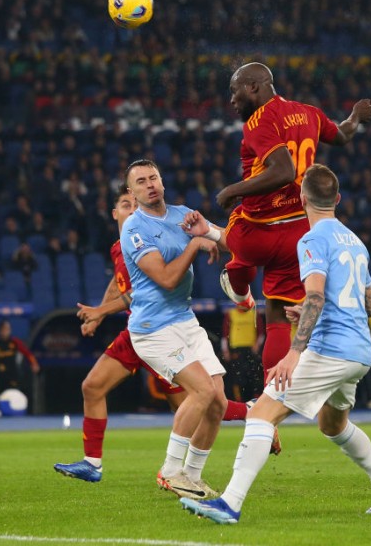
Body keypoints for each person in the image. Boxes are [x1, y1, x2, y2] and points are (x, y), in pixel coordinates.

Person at [180, 164, 371, 524]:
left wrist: (294, 352)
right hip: (360, 350)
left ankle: (230, 504)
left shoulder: (311, 240)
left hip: (331, 348)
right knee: (332, 425)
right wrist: (313, 309)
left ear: (301, 199)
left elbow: (316, 296)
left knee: (262, 412)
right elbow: (368, 303)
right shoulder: (356, 242)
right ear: (338, 199)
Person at [54, 190, 252, 486]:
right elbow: (120, 284)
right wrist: (100, 314)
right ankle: (92, 463)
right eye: (125, 204)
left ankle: (253, 414)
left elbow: (138, 293)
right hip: (141, 332)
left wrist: (101, 310)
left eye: (135, 204)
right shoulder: (118, 247)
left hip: (163, 330)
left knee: (201, 401)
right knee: (92, 387)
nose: (132, 209)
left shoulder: (147, 238)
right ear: (114, 213)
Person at [218, 62, 371, 379]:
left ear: (253, 86)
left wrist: (232, 190)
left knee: (224, 233)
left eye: (235, 91)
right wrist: (356, 116)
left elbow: (283, 171)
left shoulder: (259, 121)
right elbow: (342, 135)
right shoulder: (310, 113)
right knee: (276, 316)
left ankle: (238, 282)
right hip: (296, 234)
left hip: (258, 231)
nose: (233, 100)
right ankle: (270, 399)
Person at [120, 159, 230, 499]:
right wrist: (196, 244)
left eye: (153, 177)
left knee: (219, 404)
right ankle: (170, 470)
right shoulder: (134, 230)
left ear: (162, 182)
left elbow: (229, 242)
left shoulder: (183, 214)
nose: (149, 184)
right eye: (141, 181)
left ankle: (191, 477)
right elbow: (167, 280)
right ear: (133, 193)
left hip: (184, 321)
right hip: (153, 329)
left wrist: (209, 233)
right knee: (202, 391)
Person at [0, 320, 40, 397]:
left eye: (7, 329)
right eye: (3, 329)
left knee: (14, 394)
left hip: (12, 374)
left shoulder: (14, 342)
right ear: (0, 330)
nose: (5, 332)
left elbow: (27, 353)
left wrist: (34, 363)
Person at [220, 306, 264, 402]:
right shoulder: (230, 313)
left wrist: (257, 345)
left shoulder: (254, 313)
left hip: (251, 350)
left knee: (253, 376)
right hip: (236, 350)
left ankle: (254, 400)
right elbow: (225, 333)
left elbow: (261, 332)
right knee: (238, 378)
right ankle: (239, 401)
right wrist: (225, 350)